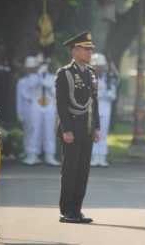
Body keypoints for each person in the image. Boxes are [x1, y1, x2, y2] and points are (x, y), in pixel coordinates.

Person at [56, 31, 100, 224]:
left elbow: (94, 102)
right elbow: (61, 104)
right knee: (70, 171)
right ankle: (67, 211)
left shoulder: (90, 73)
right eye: (86, 49)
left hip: (87, 129)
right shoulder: (65, 73)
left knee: (83, 171)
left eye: (91, 50)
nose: (90, 53)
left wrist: (96, 127)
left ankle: (77, 209)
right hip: (72, 128)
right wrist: (66, 129)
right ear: (75, 51)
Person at [90, 53, 118, 167]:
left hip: (105, 109)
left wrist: (108, 93)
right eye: (97, 66)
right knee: (93, 134)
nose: (99, 68)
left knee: (103, 134)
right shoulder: (88, 78)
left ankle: (102, 157)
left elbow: (113, 95)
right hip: (93, 110)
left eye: (101, 66)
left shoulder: (108, 79)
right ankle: (93, 157)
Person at [17, 56, 41, 165]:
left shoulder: (40, 79)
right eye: (29, 67)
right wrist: (19, 113)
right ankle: (28, 152)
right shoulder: (22, 81)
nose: (31, 69)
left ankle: (34, 154)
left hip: (37, 108)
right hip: (26, 109)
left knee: (35, 131)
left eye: (33, 67)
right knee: (28, 131)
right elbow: (19, 99)